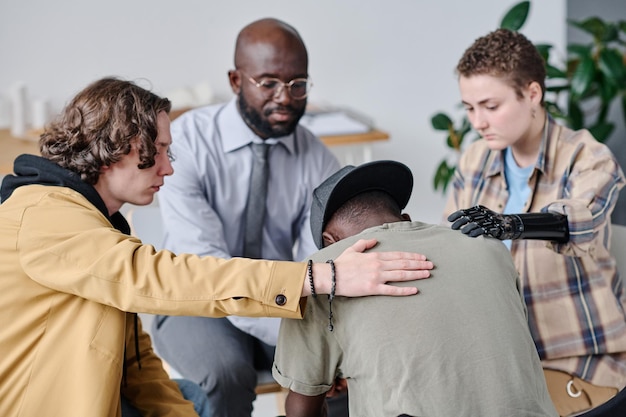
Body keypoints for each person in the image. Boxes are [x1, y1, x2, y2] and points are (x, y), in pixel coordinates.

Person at [0, 77, 434, 417]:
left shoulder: (93, 221)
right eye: (161, 151)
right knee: (220, 379)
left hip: (95, 392)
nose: (170, 168)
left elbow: (135, 363)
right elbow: (168, 275)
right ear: (119, 147)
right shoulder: (43, 215)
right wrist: (321, 276)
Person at [150, 18, 347, 416]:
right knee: (226, 373)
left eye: (298, 84)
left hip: (285, 299)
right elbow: (207, 265)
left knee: (344, 372)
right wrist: (293, 330)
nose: (286, 97)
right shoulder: (186, 143)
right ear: (236, 80)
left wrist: (326, 346)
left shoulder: (318, 158)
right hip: (198, 298)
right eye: (269, 83)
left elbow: (319, 256)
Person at [272, 160, 558, 417]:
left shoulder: (321, 272)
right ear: (405, 220)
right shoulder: (489, 247)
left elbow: (302, 410)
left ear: (330, 241)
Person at [443, 28, 626, 417]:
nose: (478, 121)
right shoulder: (474, 161)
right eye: (469, 108)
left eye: (490, 106)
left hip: (576, 361)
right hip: (497, 357)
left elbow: (578, 221)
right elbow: (451, 250)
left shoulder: (588, 158)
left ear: (532, 94)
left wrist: (511, 225)